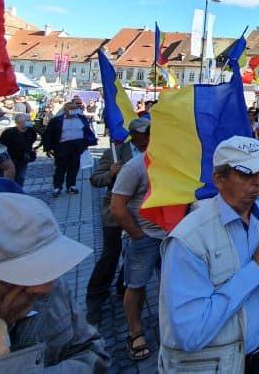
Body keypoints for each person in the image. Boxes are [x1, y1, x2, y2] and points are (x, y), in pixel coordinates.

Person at [159, 136, 259, 373]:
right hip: (221, 363)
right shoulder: (189, 239)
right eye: (246, 174)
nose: (258, 182)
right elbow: (190, 332)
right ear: (219, 179)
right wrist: (256, 268)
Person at [0, 192, 109, 371]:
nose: (44, 287)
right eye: (13, 276)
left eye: (42, 269)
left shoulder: (52, 285)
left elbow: (93, 353)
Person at [85, 118, 150, 324]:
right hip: (116, 212)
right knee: (110, 255)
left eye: (148, 133)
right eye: (141, 134)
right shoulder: (115, 152)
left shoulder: (156, 152)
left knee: (137, 252)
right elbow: (95, 179)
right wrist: (111, 174)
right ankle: (95, 297)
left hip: (143, 213)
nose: (145, 138)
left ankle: (125, 287)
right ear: (133, 134)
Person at [111, 144, 167, 361]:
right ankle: (136, 332)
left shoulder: (177, 160)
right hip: (143, 237)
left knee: (171, 284)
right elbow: (117, 206)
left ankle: (170, 326)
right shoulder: (135, 167)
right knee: (136, 286)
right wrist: (137, 235)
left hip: (170, 237)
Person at [42, 101, 97, 197]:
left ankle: (71, 185)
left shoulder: (81, 118)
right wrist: (47, 148)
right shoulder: (57, 120)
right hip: (62, 146)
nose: (74, 111)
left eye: (75, 109)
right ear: (65, 110)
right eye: (71, 109)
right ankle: (57, 186)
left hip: (77, 146)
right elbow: (48, 135)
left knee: (74, 167)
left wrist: (86, 144)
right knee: (60, 168)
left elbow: (86, 131)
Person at [0, 113, 37, 187]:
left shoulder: (31, 131)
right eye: (28, 120)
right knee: (6, 178)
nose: (30, 121)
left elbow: (32, 140)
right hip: (10, 159)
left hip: (23, 159)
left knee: (20, 177)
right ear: (19, 122)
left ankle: (18, 192)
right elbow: (1, 145)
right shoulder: (9, 132)